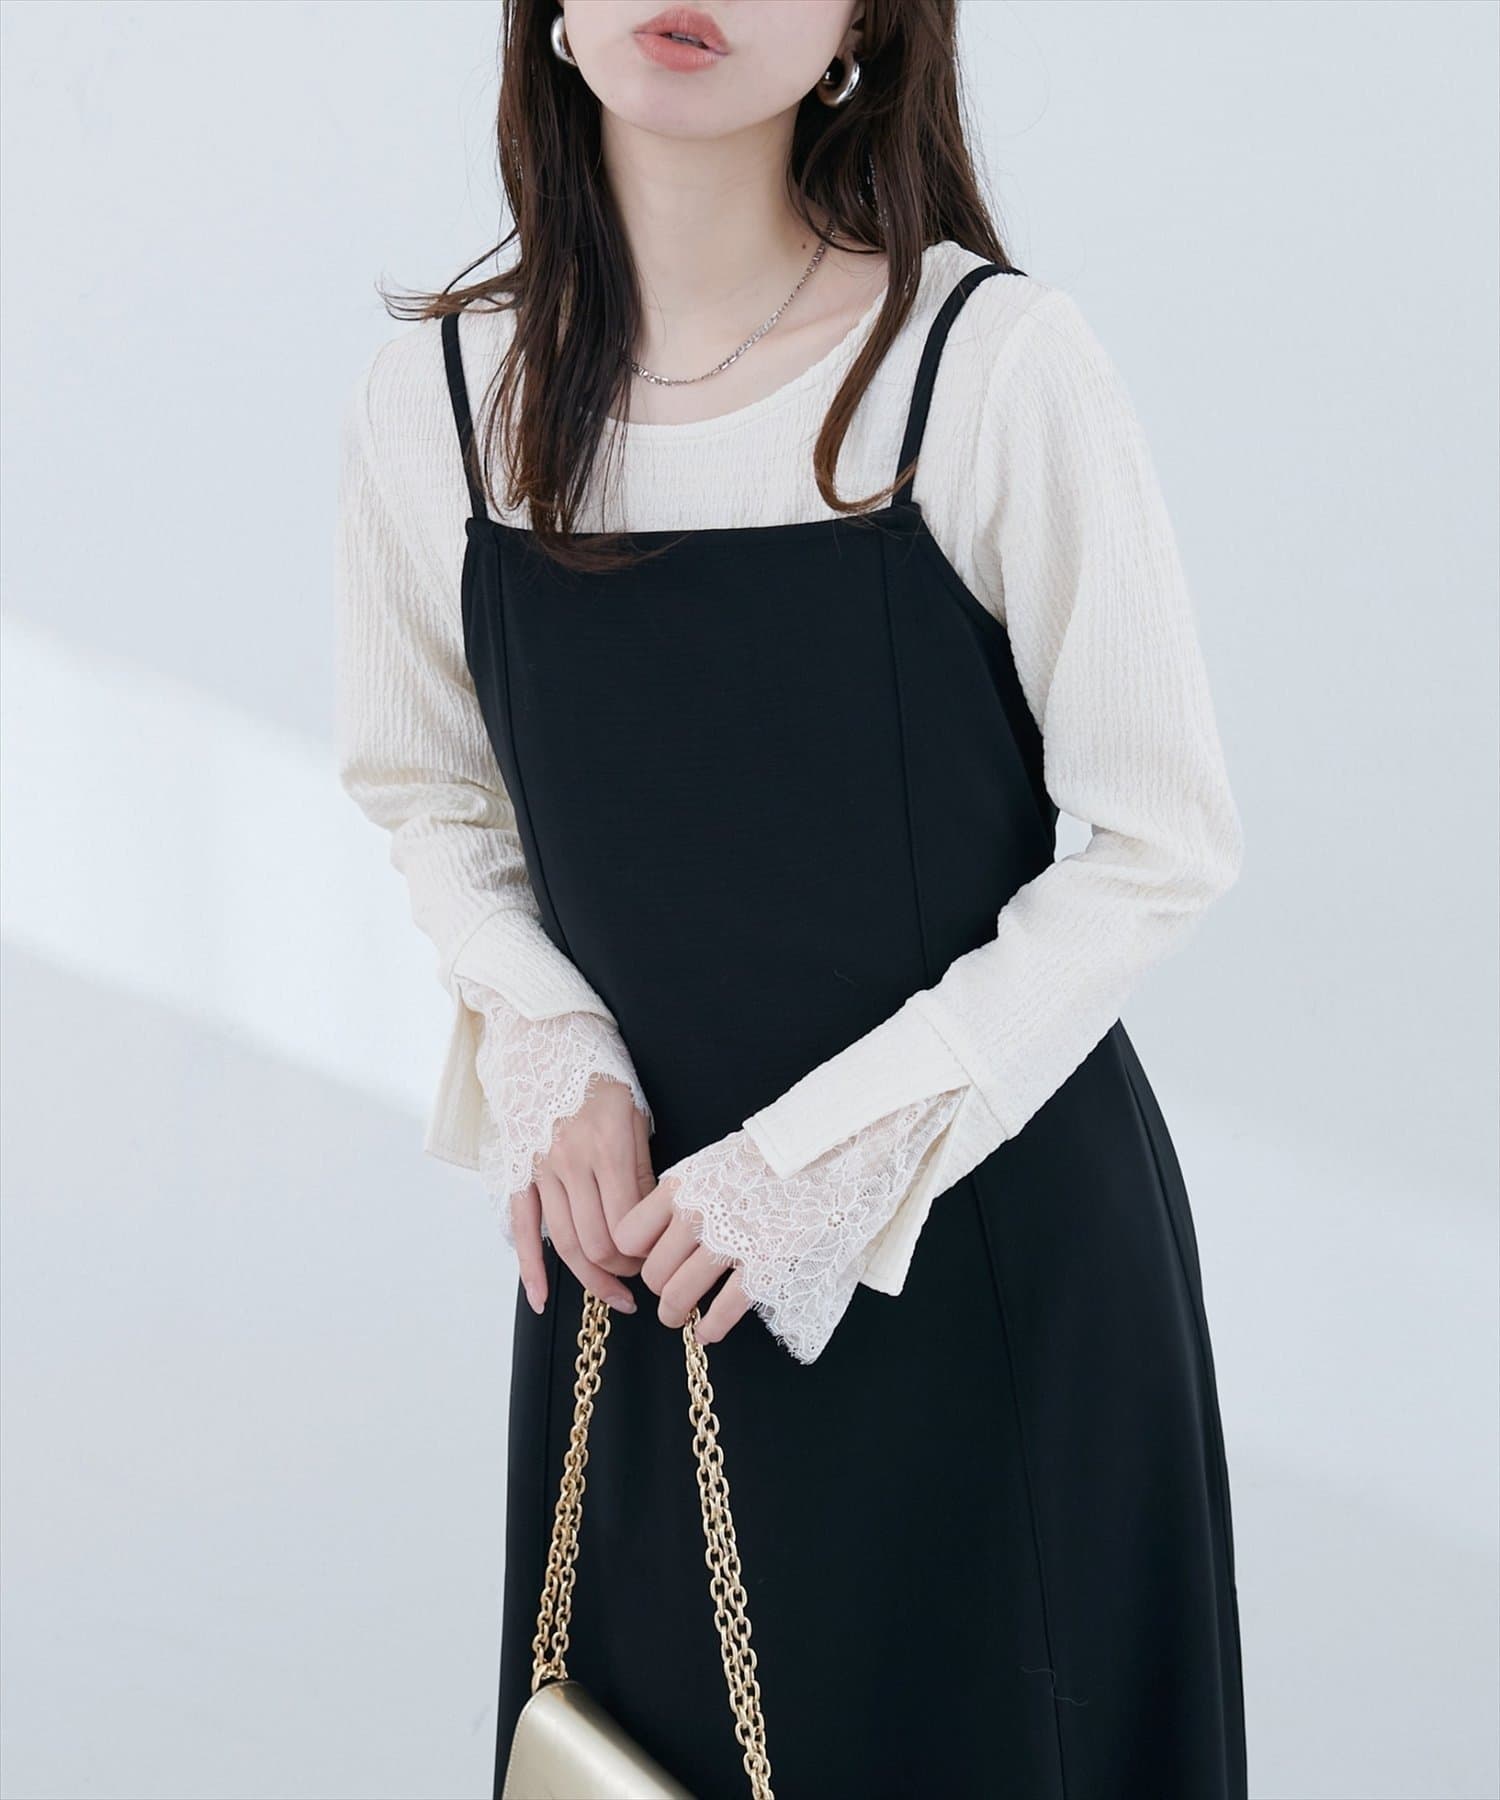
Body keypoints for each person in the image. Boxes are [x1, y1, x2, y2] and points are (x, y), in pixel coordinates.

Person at [333, 2, 1249, 1795]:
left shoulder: (986, 365)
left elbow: (1161, 842)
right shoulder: (442, 396)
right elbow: (427, 793)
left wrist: (817, 1161)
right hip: (639, 1272)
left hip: (982, 1261)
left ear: (861, 25)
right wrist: (550, 1043)